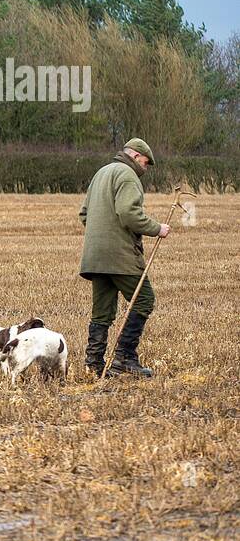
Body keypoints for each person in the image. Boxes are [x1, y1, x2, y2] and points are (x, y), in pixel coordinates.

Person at [78, 138, 168, 377]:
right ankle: (124, 358)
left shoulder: (101, 173)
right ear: (136, 156)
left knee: (102, 312)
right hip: (120, 256)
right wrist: (156, 228)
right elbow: (129, 214)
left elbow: (84, 214)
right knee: (144, 299)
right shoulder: (128, 175)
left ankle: (94, 365)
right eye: (146, 163)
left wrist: (102, 234)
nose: (146, 168)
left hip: (95, 257)